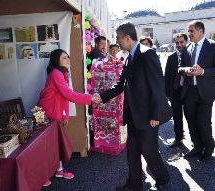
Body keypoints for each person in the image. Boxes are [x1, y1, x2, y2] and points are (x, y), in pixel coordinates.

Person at [93, 22, 172, 191]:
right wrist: (101, 96)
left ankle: (163, 177)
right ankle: (135, 184)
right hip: (134, 115)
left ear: (127, 38)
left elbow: (158, 86)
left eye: (117, 38)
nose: (115, 42)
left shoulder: (147, 54)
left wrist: (155, 115)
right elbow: (121, 85)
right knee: (132, 151)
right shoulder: (129, 56)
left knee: (148, 150)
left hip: (148, 115)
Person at [38, 49, 97, 186]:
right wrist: (90, 98)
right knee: (48, 146)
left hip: (55, 112)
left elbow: (64, 98)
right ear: (56, 60)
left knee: (56, 143)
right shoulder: (56, 74)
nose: (68, 60)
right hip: (48, 112)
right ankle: (43, 175)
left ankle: (59, 170)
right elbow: (68, 95)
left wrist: (65, 116)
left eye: (68, 57)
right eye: (64, 58)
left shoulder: (62, 73)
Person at [179, 20, 215, 161]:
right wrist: (185, 70)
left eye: (191, 31)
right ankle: (197, 147)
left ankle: (208, 148)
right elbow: (180, 67)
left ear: (201, 31)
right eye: (189, 31)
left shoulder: (214, 46)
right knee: (191, 121)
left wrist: (203, 71)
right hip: (190, 91)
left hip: (206, 91)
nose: (189, 34)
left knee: (203, 121)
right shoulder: (188, 47)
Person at [164, 33, 188, 147]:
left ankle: (196, 141)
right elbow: (167, 76)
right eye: (177, 43)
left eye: (181, 42)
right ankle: (178, 138)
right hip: (175, 91)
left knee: (191, 117)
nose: (179, 45)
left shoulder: (191, 55)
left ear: (186, 42)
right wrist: (167, 93)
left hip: (189, 92)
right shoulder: (171, 57)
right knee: (177, 117)